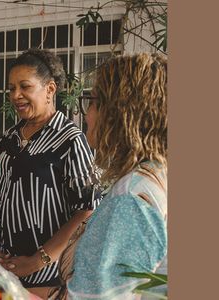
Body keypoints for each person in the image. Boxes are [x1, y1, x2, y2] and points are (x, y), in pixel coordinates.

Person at [0, 49, 102, 298]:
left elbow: (87, 209)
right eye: (11, 88)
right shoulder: (9, 138)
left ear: (50, 89)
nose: (16, 95)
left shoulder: (70, 139)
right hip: (5, 269)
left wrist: (39, 259)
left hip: (48, 276)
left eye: (25, 86)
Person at [57, 52, 168, 299]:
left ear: (120, 111)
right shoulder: (157, 175)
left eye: (93, 101)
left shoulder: (130, 199)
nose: (86, 114)